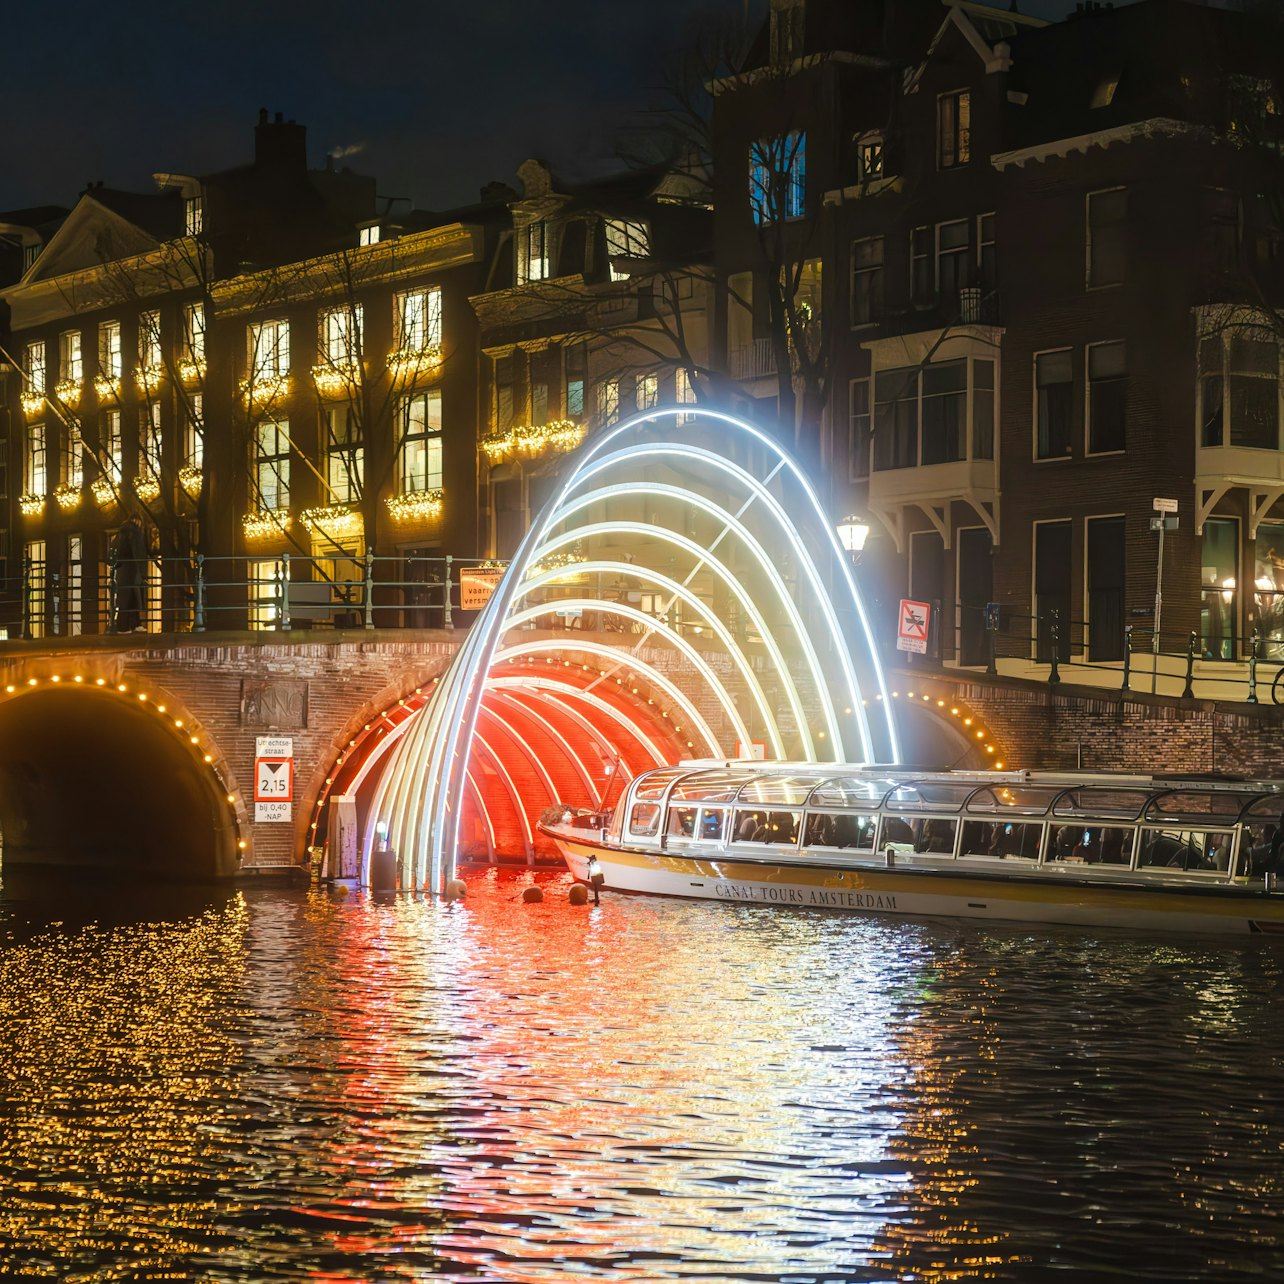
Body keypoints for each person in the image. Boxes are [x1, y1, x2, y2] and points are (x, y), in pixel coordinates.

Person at [111, 518, 148, 632]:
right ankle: (129, 625)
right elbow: (139, 553)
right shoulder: (135, 533)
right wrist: (143, 572)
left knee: (127, 598)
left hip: (123, 570)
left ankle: (129, 625)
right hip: (132, 569)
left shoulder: (120, 533)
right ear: (137, 521)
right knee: (132, 597)